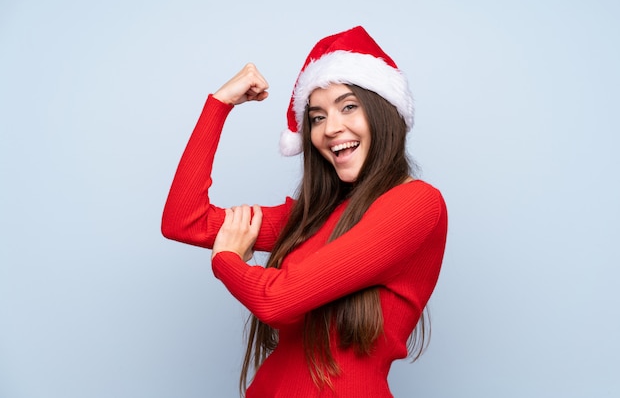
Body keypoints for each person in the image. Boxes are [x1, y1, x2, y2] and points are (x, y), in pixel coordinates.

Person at [161, 25, 448, 397]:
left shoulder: (416, 204)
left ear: (383, 111)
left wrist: (227, 260)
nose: (331, 128)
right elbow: (184, 221)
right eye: (316, 117)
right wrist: (219, 105)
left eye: (348, 106)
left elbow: (276, 300)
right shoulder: (309, 217)